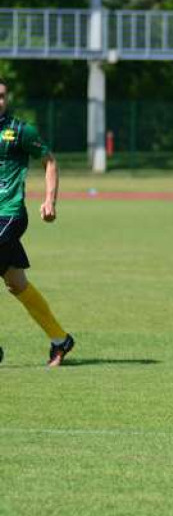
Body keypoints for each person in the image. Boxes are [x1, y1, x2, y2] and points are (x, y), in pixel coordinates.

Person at [0, 76, 75, 366]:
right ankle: (60, 340)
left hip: (10, 214)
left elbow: (50, 161)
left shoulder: (20, 130)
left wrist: (49, 200)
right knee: (16, 283)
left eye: (3, 95)